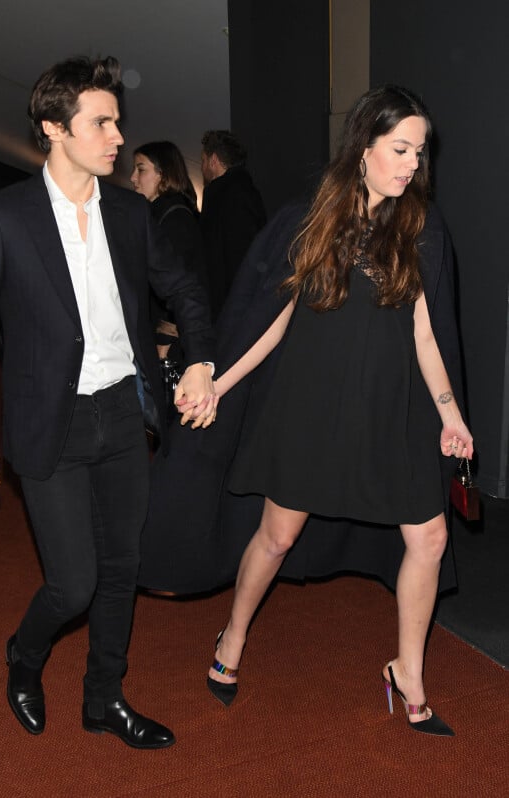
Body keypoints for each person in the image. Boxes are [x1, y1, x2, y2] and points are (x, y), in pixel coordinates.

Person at [0, 55, 217, 751]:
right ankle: (25, 655)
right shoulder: (3, 217)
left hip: (124, 414)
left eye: (118, 123)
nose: (117, 137)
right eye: (101, 123)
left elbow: (183, 287)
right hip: (50, 422)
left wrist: (203, 358)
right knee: (72, 584)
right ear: (53, 129)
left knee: (123, 571)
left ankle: (105, 699)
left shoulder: (130, 212)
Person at [201, 85, 472, 736]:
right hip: (314, 406)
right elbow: (273, 318)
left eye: (420, 152)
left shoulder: (419, 226)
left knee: (430, 538)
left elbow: (425, 335)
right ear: (364, 147)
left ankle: (407, 671)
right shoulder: (314, 217)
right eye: (401, 149)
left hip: (394, 408)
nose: (412, 164)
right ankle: (232, 635)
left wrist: (451, 414)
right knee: (278, 536)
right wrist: (220, 382)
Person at [130, 141, 207, 363]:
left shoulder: (175, 219)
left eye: (141, 169)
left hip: (170, 344)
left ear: (163, 175)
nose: (133, 177)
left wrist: (164, 340)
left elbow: (182, 283)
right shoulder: (160, 216)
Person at [200, 130, 266, 319]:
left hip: (230, 307)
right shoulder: (245, 190)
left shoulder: (225, 195)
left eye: (203, 160)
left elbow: (231, 257)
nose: (202, 167)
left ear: (213, 160)